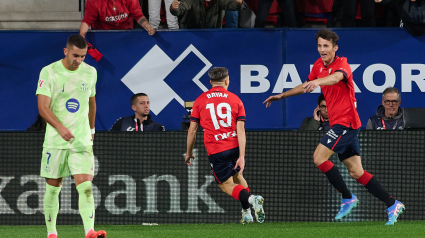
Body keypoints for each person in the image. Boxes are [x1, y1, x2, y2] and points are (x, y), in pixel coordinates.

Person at [263, 28, 404, 225]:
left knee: (318, 158)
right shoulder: (318, 66)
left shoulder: (342, 63)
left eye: (326, 46)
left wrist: (318, 81)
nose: (322, 49)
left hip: (345, 123)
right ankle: (392, 203)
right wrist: (281, 95)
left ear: (334, 48)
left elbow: (336, 78)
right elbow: (306, 85)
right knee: (356, 172)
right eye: (319, 45)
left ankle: (348, 197)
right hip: (341, 124)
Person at [36, 35, 106, 238]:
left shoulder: (91, 72)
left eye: (83, 56)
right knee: (53, 187)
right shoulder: (49, 72)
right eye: (76, 55)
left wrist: (91, 130)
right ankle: (51, 233)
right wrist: (60, 127)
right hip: (56, 140)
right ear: (66, 51)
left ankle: (90, 231)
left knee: (85, 187)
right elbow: (42, 107)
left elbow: (92, 103)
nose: (79, 60)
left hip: (81, 139)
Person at [186, 67, 265, 224]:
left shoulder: (200, 100)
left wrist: (188, 152)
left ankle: (251, 199)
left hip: (217, 149)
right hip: (235, 146)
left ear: (210, 82)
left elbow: (192, 131)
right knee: (238, 176)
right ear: (227, 80)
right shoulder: (235, 99)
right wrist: (241, 156)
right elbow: (241, 130)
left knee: (225, 185)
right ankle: (246, 213)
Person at [80, 0, 155, 37]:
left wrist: (147, 26)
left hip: (126, 33)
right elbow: (87, 21)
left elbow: (138, 15)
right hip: (102, 34)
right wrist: (82, 37)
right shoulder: (94, 1)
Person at [170, 0, 245, 29]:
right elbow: (180, 9)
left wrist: (239, 3)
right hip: (192, 33)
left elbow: (231, 5)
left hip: (213, 33)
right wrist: (174, 8)